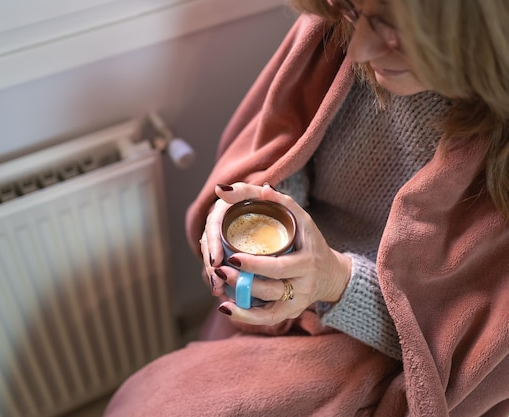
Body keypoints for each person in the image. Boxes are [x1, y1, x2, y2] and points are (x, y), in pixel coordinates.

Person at [103, 0, 509, 415]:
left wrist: (336, 282)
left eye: (392, 33)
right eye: (353, 12)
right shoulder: (336, 26)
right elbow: (288, 149)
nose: (362, 49)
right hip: (294, 280)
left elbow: (465, 348)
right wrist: (261, 202)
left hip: (384, 343)